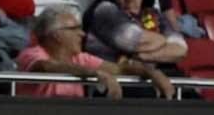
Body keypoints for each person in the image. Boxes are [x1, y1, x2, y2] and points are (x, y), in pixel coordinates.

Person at [18, 5, 173, 99]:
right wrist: (94, 73)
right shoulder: (31, 54)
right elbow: (46, 67)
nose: (82, 34)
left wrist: (152, 73)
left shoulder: (80, 58)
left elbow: (119, 69)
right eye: (75, 29)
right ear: (57, 34)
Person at [83, 0, 187, 68]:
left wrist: (142, 58)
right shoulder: (104, 10)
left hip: (147, 78)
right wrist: (163, 39)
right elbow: (132, 40)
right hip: (112, 78)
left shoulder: (154, 14)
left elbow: (180, 48)